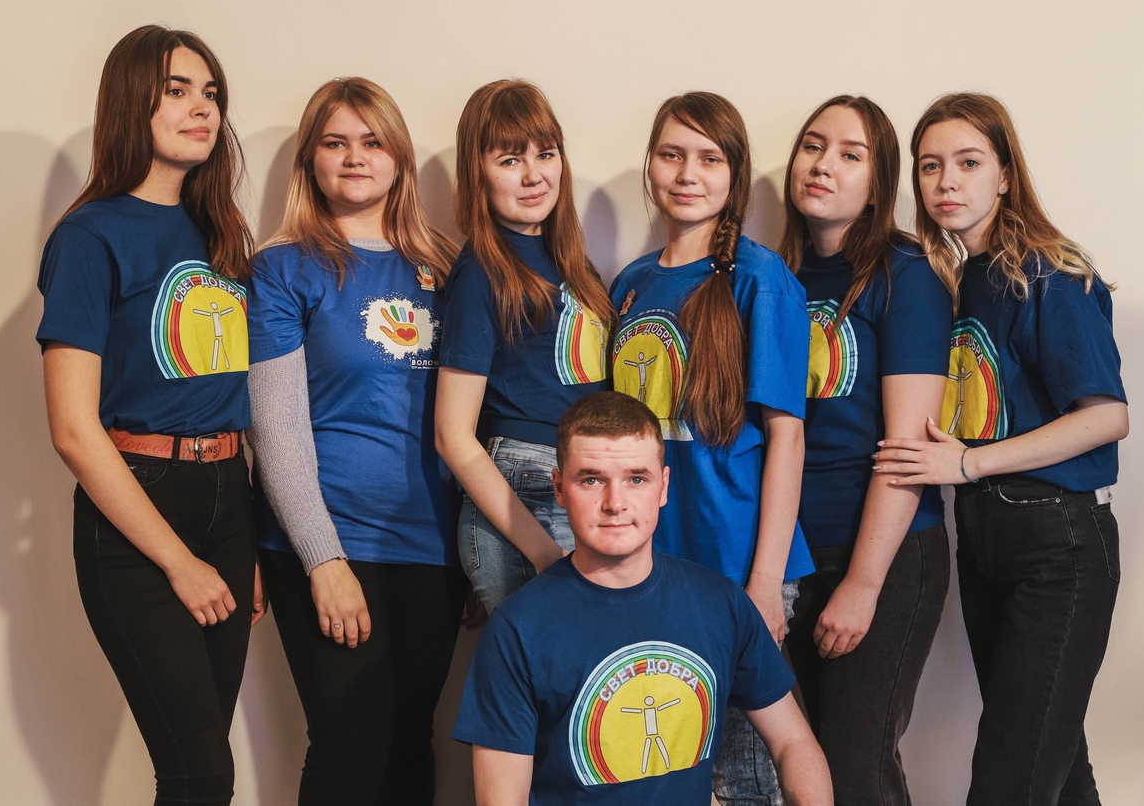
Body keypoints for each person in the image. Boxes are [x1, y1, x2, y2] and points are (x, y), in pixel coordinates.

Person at [877, 92, 1128, 806]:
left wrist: (967, 462)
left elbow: (1107, 417)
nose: (946, 182)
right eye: (930, 166)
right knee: (1056, 768)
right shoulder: (961, 280)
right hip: (986, 540)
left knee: (1009, 779)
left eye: (968, 163)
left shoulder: (1049, 272)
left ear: (1006, 174)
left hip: (1058, 544)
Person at [37, 25, 261, 806]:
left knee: (204, 769)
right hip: (138, 506)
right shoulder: (89, 236)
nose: (202, 108)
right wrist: (177, 560)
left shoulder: (220, 230)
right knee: (200, 774)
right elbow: (73, 429)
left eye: (211, 93)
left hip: (228, 497)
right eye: (177, 90)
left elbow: (232, 396)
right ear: (133, 101)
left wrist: (242, 537)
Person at [247, 78, 467, 805]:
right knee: (351, 744)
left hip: (431, 545)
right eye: (335, 142)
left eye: (372, 142)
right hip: (331, 538)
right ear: (309, 160)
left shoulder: (449, 267)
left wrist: (476, 552)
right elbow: (275, 427)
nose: (354, 158)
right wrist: (323, 557)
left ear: (399, 156)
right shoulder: (283, 267)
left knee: (410, 741)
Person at [453, 391, 833, 806]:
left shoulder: (720, 603)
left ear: (663, 487)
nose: (615, 503)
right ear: (559, 488)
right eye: (592, 479)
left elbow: (793, 742)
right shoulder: (517, 628)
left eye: (636, 479)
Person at [608, 91, 811, 805]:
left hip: (737, 561)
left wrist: (765, 581)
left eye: (709, 158)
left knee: (743, 775)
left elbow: (788, 435)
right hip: (652, 563)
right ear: (651, 165)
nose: (688, 173)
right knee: (665, 764)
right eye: (672, 154)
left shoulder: (761, 279)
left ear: (735, 174)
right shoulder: (632, 283)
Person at [777, 95, 953, 804]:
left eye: (851, 155)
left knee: (856, 768)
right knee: (810, 765)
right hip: (793, 556)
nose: (823, 164)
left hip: (885, 551)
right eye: (813, 146)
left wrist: (863, 582)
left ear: (879, 185)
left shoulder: (905, 275)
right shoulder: (779, 275)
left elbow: (908, 446)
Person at [436, 79, 615, 612]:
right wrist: (539, 550)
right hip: (524, 488)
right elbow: (452, 435)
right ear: (478, 173)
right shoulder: (482, 271)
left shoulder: (572, 263)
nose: (534, 175)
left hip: (578, 477)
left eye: (546, 153)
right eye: (510, 159)